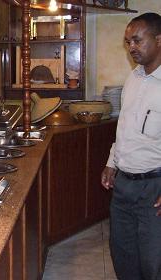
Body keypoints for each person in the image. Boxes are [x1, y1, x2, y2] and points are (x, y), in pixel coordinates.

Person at [101, 12, 161, 280]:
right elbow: (124, 128)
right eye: (128, 42)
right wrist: (112, 162)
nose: (131, 47)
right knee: (123, 255)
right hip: (124, 186)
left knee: (153, 263)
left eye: (137, 40)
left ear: (159, 40)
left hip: (154, 189)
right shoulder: (133, 78)